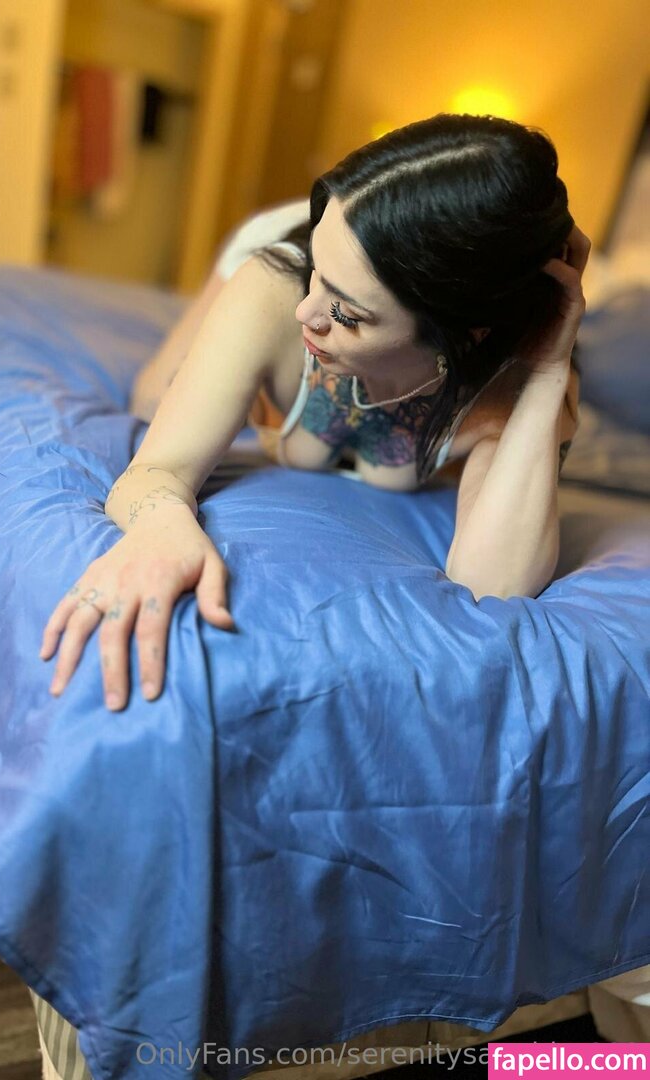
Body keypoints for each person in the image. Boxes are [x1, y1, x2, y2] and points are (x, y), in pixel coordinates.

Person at [39, 112, 588, 713]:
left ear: (465, 332)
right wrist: (162, 529)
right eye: (319, 282)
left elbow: (492, 582)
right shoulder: (281, 291)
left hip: (398, 291)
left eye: (348, 314)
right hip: (286, 247)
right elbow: (156, 468)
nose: (309, 315)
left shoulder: (510, 382)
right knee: (154, 395)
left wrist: (548, 370)